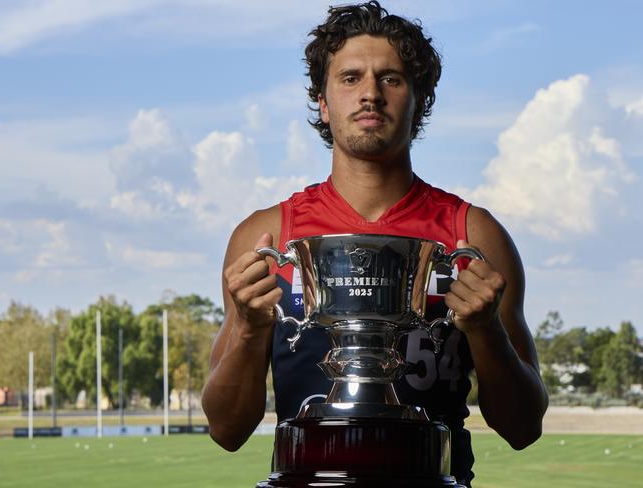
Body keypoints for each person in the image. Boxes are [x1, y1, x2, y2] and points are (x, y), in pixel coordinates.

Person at [201, 2, 548, 486]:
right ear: (322, 101)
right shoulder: (266, 236)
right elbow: (226, 429)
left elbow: (523, 427)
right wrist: (248, 329)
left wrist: (486, 331)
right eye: (349, 78)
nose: (369, 94)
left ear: (420, 99)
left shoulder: (473, 234)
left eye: (391, 78)